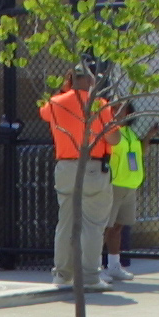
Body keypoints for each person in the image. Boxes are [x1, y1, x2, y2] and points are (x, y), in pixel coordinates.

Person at [38, 69, 118, 291]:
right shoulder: (99, 104)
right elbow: (114, 138)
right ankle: (90, 277)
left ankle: (62, 274)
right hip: (92, 166)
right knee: (92, 225)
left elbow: (44, 113)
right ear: (90, 79)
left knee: (65, 223)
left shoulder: (55, 103)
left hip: (65, 166)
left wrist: (65, 90)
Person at [104, 98, 144, 282]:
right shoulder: (110, 131)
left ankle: (114, 266)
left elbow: (138, 153)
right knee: (105, 227)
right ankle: (94, 267)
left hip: (130, 185)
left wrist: (149, 136)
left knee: (118, 227)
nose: (117, 112)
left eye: (121, 109)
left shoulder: (130, 132)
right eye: (114, 109)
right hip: (114, 184)